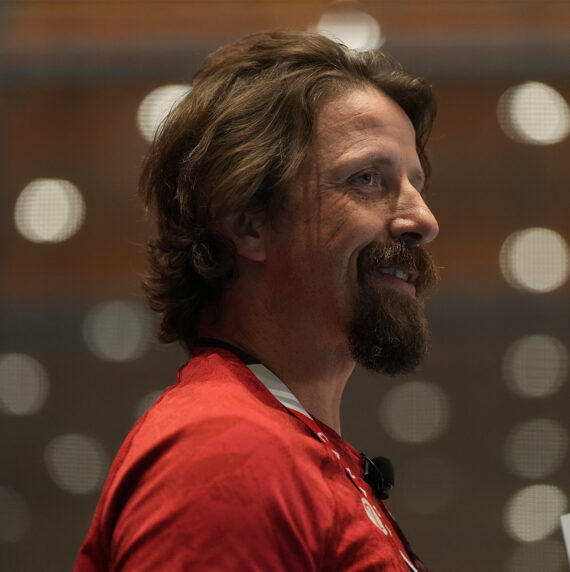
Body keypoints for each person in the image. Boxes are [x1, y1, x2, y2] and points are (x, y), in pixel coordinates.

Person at [75, 29, 440, 571]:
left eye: (417, 183)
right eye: (368, 179)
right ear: (249, 225)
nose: (424, 221)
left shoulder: (282, 445)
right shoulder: (224, 453)